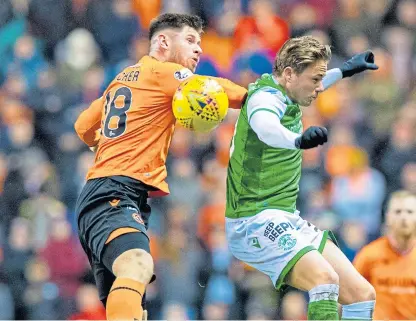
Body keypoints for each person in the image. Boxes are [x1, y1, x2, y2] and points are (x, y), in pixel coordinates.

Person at [73, 13, 248, 321]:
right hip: (116, 191)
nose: (198, 50)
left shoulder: (122, 78)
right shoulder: (164, 73)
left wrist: (101, 142)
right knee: (138, 264)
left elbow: (83, 125)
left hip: (102, 194)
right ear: (163, 42)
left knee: (131, 305)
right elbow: (213, 88)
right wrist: (258, 98)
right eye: (190, 40)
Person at [225, 36, 379, 320]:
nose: (320, 87)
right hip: (252, 221)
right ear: (288, 74)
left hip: (284, 217)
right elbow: (265, 126)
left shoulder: (289, 90)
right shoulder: (264, 98)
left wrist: (344, 71)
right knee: (324, 279)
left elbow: (309, 85)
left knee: (361, 294)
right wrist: (297, 140)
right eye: (316, 79)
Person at [354, 190, 416, 320]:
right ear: (388, 217)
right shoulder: (369, 254)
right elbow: (349, 292)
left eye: (410, 212)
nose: (404, 217)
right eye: (398, 212)